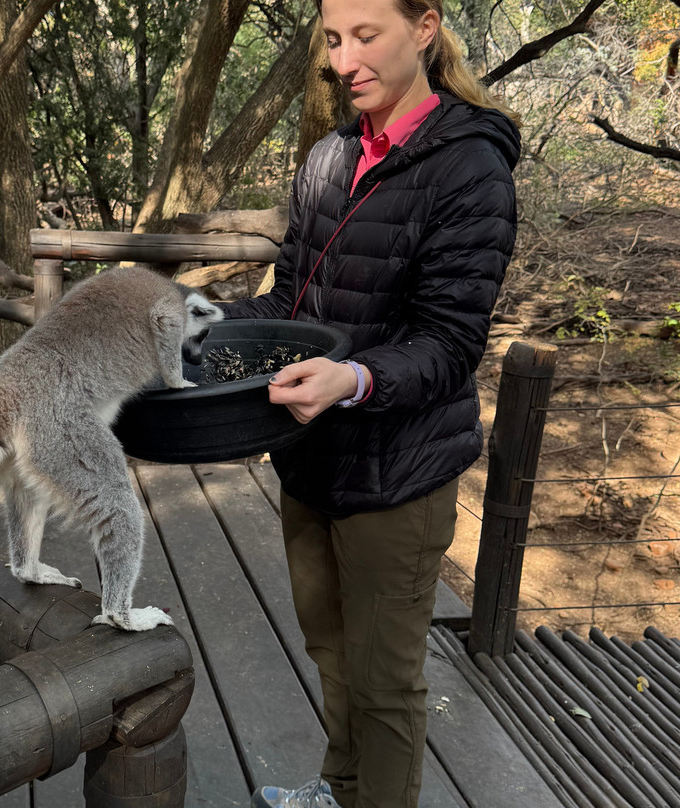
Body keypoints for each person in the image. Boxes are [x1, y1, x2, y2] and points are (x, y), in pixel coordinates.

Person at [218, 1, 520, 807]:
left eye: (366, 35)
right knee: (329, 651)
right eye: (332, 39)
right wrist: (179, 321)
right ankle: (339, 790)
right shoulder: (328, 157)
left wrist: (349, 380)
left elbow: (449, 343)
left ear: (424, 28)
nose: (344, 60)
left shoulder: (470, 168)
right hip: (310, 460)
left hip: (398, 474)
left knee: (385, 684)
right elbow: (290, 301)